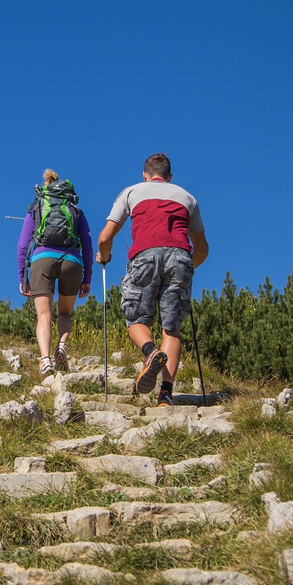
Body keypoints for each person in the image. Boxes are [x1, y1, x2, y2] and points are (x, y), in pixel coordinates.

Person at [96, 153, 209, 407]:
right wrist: (188, 268)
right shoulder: (187, 197)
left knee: (136, 319)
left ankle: (150, 352)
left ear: (145, 174)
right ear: (169, 177)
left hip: (145, 256)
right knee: (172, 328)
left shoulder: (132, 192)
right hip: (180, 257)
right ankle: (166, 395)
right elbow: (202, 248)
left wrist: (104, 258)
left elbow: (105, 238)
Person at [16, 169, 94, 377]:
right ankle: (62, 345)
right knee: (65, 312)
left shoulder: (36, 208)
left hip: (42, 259)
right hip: (72, 261)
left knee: (44, 315)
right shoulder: (76, 210)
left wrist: (22, 276)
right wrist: (87, 278)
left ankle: (45, 360)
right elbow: (87, 245)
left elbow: (23, 246)